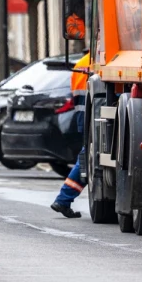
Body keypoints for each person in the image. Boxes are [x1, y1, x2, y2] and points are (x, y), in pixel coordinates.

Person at [51, 53, 91, 218]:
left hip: (84, 115)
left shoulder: (81, 63)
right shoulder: (99, 62)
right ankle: (63, 199)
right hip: (93, 114)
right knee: (87, 158)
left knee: (87, 156)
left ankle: (64, 199)